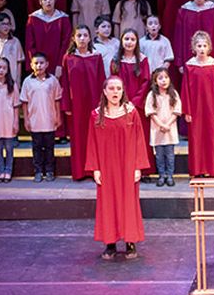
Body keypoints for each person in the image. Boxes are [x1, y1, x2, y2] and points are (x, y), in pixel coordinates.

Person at [85, 76, 151, 261]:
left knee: (128, 202)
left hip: (127, 164)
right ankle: (110, 243)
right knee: (108, 203)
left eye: (118, 88)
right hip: (106, 166)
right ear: (105, 92)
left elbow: (139, 140)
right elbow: (92, 142)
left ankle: (130, 242)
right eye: (112, 88)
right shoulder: (96, 115)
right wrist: (95, 168)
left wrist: (138, 166)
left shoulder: (131, 112)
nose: (115, 92)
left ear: (123, 91)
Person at [61, 25, 106, 180]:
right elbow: (64, 83)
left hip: (94, 103)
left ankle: (95, 171)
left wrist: (103, 105)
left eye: (85, 35)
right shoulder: (68, 58)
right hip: (76, 105)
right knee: (78, 137)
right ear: (73, 38)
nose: (82, 39)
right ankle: (79, 172)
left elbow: (102, 81)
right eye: (79, 35)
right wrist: (66, 105)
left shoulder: (96, 57)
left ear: (90, 38)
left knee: (95, 137)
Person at [181, 31, 214, 177]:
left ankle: (212, 169)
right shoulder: (189, 66)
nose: (201, 49)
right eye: (199, 46)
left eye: (204, 46)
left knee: (211, 137)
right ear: (194, 47)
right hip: (195, 108)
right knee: (196, 138)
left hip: (211, 107)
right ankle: (197, 169)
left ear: (209, 47)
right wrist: (187, 111)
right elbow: (185, 90)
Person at [110, 28, 153, 180]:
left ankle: (144, 170)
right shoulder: (115, 61)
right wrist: (122, 102)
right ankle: (125, 169)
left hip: (138, 106)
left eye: (132, 39)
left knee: (141, 138)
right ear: (121, 41)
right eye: (126, 39)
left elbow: (146, 82)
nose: (129, 42)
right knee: (123, 138)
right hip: (120, 105)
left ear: (137, 42)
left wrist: (135, 102)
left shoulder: (143, 60)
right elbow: (113, 83)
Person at [20, 53, 62, 183]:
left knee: (49, 148)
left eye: (41, 63)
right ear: (31, 65)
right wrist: (26, 119)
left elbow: (57, 100)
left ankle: (49, 171)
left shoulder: (53, 80)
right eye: (36, 63)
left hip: (49, 120)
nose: (39, 66)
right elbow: (24, 102)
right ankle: (38, 171)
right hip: (35, 121)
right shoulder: (27, 81)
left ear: (47, 64)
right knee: (37, 148)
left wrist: (58, 116)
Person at [145, 67, 182, 187]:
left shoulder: (173, 94)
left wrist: (167, 124)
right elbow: (151, 112)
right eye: (160, 78)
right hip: (157, 130)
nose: (164, 80)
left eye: (166, 77)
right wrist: (161, 125)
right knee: (159, 155)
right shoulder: (152, 95)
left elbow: (177, 111)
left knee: (170, 155)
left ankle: (170, 176)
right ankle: (162, 175)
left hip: (169, 130)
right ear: (155, 81)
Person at [25, 0, 72, 80]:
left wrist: (60, 64)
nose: (48, 1)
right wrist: (35, 64)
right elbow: (29, 44)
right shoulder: (33, 19)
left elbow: (66, 43)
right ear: (40, 2)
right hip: (39, 64)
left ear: (55, 0)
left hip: (57, 63)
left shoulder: (63, 19)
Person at [0, 12, 25, 86]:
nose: (6, 27)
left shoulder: (15, 41)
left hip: (12, 80)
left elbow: (19, 62)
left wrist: (18, 81)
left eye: (8, 24)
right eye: (3, 24)